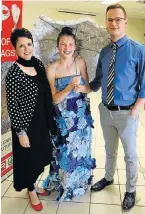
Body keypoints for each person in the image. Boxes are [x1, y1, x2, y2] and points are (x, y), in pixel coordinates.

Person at [90, 4, 145, 212]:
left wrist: (136, 109)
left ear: (125, 21)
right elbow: (97, 81)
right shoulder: (103, 52)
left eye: (118, 19)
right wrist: (82, 86)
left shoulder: (139, 50)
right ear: (106, 22)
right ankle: (108, 177)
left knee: (130, 154)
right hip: (105, 110)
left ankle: (131, 190)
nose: (113, 23)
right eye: (110, 19)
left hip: (128, 112)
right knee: (109, 149)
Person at [5, 28, 57, 211]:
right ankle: (31, 189)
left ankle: (34, 183)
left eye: (29, 44)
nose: (26, 48)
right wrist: (20, 132)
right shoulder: (13, 74)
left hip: (41, 123)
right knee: (28, 159)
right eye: (21, 45)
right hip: (26, 126)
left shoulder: (38, 65)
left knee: (40, 155)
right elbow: (13, 107)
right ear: (15, 49)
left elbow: (45, 94)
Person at [42, 27, 96, 201]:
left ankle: (78, 183)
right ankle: (63, 184)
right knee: (63, 153)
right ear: (58, 46)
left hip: (80, 118)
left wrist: (81, 87)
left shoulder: (80, 62)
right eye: (63, 44)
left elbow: (88, 88)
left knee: (80, 151)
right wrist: (68, 87)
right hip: (62, 121)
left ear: (75, 46)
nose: (67, 47)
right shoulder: (52, 68)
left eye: (70, 44)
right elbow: (55, 99)